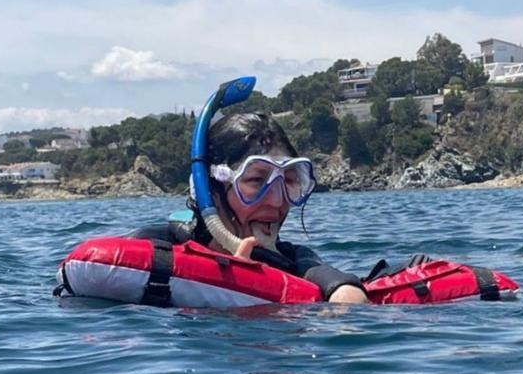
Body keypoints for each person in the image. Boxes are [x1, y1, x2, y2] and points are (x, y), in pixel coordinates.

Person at [127, 112, 370, 304]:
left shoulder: (294, 260)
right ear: (209, 191)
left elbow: (331, 282)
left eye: (288, 181)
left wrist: (345, 292)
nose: (276, 202)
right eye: (256, 181)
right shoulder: (155, 245)